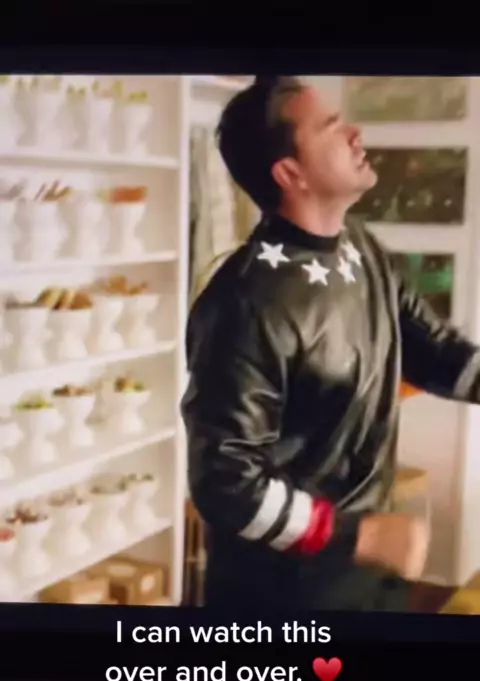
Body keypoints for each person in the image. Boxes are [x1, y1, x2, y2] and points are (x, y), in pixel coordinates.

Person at [181, 76, 478, 612]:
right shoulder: (242, 304)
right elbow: (225, 481)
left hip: (369, 575)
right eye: (331, 127)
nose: (355, 134)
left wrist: (366, 541)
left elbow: (434, 352)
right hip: (279, 598)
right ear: (290, 173)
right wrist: (359, 535)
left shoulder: (362, 247)